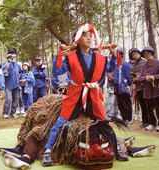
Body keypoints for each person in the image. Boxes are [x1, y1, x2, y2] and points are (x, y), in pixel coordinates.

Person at [0, 95, 155, 169]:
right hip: (65, 113)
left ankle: (127, 148)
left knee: (100, 130)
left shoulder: (90, 107)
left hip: (84, 109)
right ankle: (25, 156)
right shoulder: (57, 109)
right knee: (38, 133)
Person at [42, 23, 120, 166]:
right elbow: (58, 73)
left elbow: (110, 70)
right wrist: (59, 57)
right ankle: (47, 150)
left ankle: (117, 147)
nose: (89, 38)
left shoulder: (100, 58)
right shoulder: (70, 57)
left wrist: (114, 56)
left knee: (104, 122)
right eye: (85, 35)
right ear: (77, 39)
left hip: (93, 95)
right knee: (60, 122)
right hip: (75, 94)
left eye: (91, 35)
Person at [139, 46, 159, 132]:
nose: (147, 55)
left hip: (156, 89)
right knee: (148, 108)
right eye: (145, 54)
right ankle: (152, 123)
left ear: (152, 53)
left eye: (148, 53)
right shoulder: (143, 66)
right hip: (147, 90)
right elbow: (140, 77)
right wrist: (146, 78)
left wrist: (153, 77)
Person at [129, 48, 148, 127]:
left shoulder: (145, 61)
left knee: (148, 104)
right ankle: (145, 121)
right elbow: (131, 77)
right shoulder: (133, 66)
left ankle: (151, 121)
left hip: (147, 86)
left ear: (139, 53)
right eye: (133, 55)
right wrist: (135, 79)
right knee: (142, 104)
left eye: (136, 53)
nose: (135, 55)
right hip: (139, 87)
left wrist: (143, 77)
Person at [2, 47, 23, 119]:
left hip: (17, 84)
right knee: (8, 98)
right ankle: (5, 113)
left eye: (13, 55)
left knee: (16, 99)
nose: (12, 56)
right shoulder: (5, 63)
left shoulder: (16, 64)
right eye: (11, 54)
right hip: (9, 84)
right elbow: (4, 70)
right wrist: (8, 60)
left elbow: (21, 71)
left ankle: (13, 113)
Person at [114, 49, 133, 125]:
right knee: (120, 103)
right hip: (117, 87)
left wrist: (129, 83)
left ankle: (129, 118)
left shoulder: (126, 64)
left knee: (126, 103)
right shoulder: (116, 65)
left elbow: (128, 75)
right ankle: (124, 118)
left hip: (124, 86)